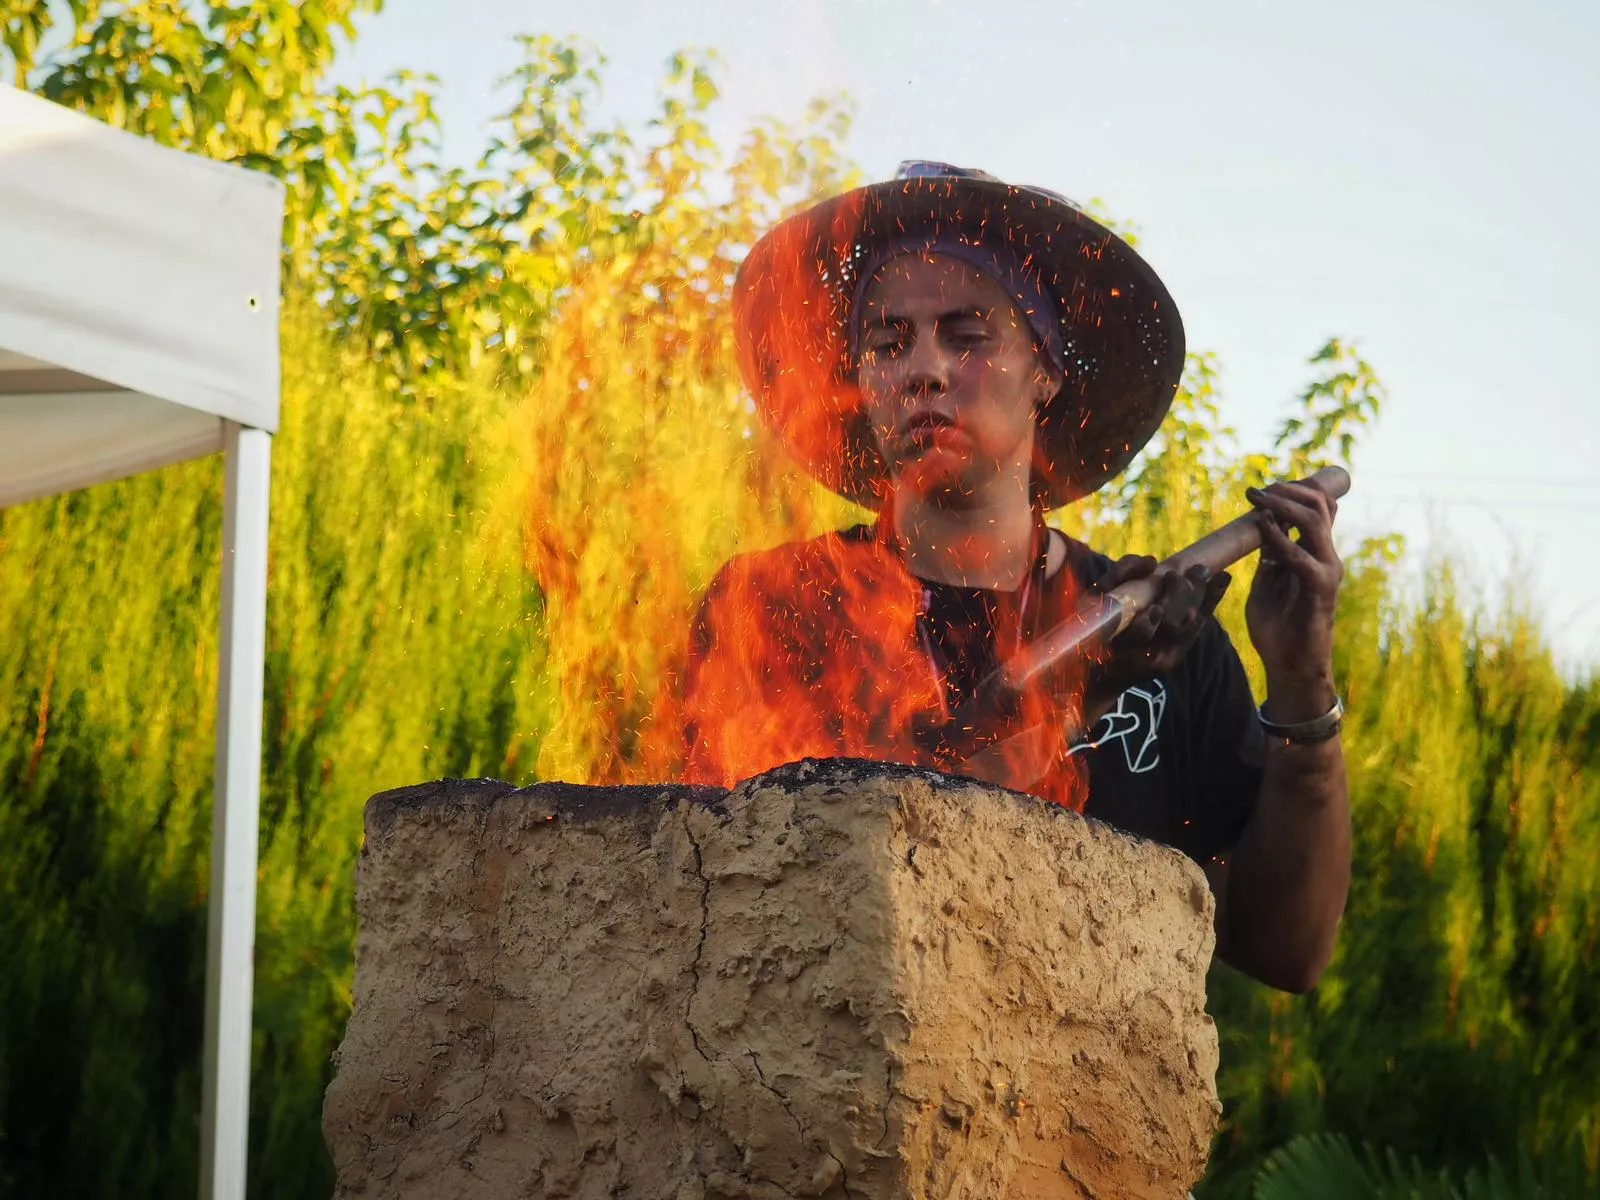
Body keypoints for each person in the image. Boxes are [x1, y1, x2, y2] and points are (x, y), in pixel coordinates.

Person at [681, 162, 1350, 994]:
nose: (922, 370)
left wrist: (1300, 683)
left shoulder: (1164, 643)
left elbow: (1289, 949)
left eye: (967, 336)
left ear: (1046, 372)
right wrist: (1062, 703)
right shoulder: (775, 611)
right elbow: (747, 888)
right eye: (888, 343)